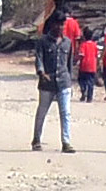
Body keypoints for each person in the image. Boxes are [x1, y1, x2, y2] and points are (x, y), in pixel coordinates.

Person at [31, 19, 78, 152]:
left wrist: (70, 82)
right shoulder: (43, 41)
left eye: (62, 24)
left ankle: (66, 142)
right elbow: (39, 59)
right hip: (47, 83)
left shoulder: (67, 43)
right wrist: (41, 72)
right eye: (58, 24)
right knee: (42, 112)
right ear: (52, 25)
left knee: (65, 113)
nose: (60, 27)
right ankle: (36, 140)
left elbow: (69, 64)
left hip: (64, 82)